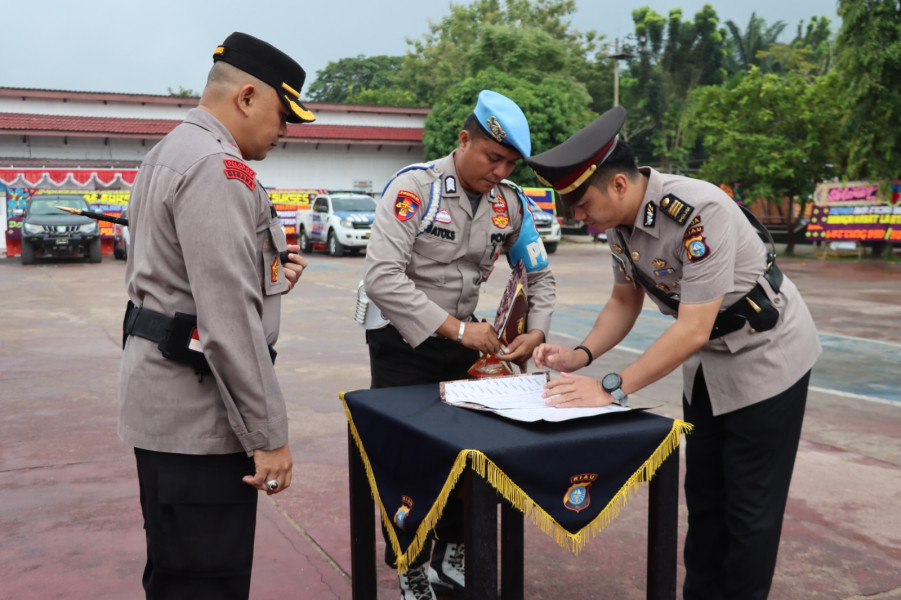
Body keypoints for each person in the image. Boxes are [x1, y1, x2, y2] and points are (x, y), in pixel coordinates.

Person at [527, 106, 821, 600]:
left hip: (766, 355)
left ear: (618, 185)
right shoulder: (620, 228)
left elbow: (691, 329)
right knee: (704, 500)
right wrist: (580, 356)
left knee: (749, 510)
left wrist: (609, 388)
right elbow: (625, 300)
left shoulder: (696, 212)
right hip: (708, 368)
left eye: (580, 201)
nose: (576, 214)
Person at [117, 32, 314, 599]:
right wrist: (269, 434)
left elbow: (184, 276)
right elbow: (227, 323)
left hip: (169, 407)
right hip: (199, 416)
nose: (282, 134)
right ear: (246, 98)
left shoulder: (174, 150)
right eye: (282, 117)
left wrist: (268, 278)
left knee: (178, 574)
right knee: (206, 584)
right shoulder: (218, 168)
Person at [362, 89, 556, 600]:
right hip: (401, 340)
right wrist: (456, 329)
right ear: (464, 139)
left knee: (468, 455)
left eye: (509, 163)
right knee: (408, 457)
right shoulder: (415, 190)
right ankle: (410, 564)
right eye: (493, 158)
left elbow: (540, 275)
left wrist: (535, 330)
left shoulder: (510, 204)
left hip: (468, 343)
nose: (499, 171)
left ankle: (452, 553)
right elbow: (382, 276)